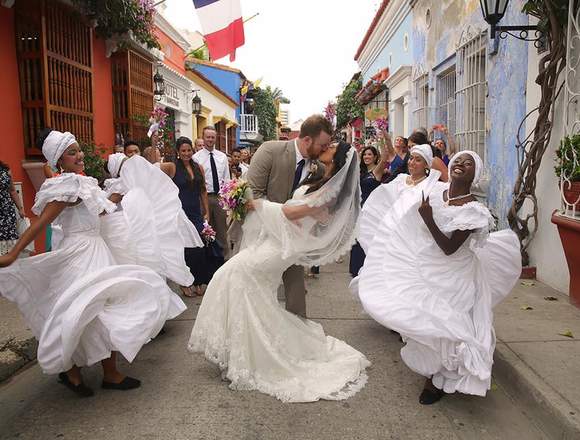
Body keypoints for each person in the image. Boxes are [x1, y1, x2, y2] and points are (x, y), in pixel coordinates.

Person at [0, 129, 186, 397]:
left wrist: (120, 195)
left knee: (102, 308)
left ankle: (104, 372)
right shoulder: (67, 186)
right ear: (59, 161)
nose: (79, 155)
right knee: (84, 311)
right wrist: (14, 253)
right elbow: (41, 224)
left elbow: (99, 211)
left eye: (78, 150)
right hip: (78, 254)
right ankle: (75, 372)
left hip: (97, 249)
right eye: (71, 152)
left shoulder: (84, 183)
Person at [189, 141, 369, 402]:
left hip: (281, 248)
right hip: (276, 242)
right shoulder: (320, 180)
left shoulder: (332, 192)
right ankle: (240, 350)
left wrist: (258, 205)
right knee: (243, 287)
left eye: (331, 146)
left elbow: (293, 212)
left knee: (234, 277)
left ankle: (252, 353)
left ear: (337, 159)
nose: (326, 146)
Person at [354, 150, 521, 405]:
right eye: (458, 161)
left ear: (474, 175)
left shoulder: (475, 210)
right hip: (427, 266)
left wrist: (429, 219)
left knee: (447, 324)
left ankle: (436, 380)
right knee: (424, 321)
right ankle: (433, 370)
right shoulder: (435, 193)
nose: (461, 165)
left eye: (468, 164)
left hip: (456, 275)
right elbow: (410, 219)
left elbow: (449, 248)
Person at [247, 114, 333, 318]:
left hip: (293, 239)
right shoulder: (270, 150)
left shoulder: (318, 168)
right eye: (323, 145)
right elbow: (252, 194)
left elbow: (311, 204)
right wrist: (287, 216)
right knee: (256, 292)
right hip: (260, 235)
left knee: (296, 295)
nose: (325, 150)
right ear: (307, 140)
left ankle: (298, 338)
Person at [101, 152, 202, 290]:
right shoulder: (122, 184)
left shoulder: (137, 179)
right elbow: (106, 207)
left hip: (141, 227)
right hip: (130, 228)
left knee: (149, 259)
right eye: (126, 163)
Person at [175, 136, 222, 297]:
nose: (186, 153)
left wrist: (206, 211)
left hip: (195, 212)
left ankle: (199, 280)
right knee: (185, 250)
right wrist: (154, 142)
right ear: (178, 152)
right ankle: (184, 282)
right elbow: (153, 166)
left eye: (189, 150)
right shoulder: (172, 167)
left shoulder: (198, 168)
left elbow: (203, 190)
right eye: (183, 151)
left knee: (201, 247)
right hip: (180, 213)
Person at [349, 141, 391, 277]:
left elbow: (385, 157)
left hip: (372, 210)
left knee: (368, 239)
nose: (366, 157)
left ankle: (370, 270)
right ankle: (356, 271)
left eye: (369, 154)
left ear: (374, 157)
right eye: (365, 154)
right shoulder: (359, 171)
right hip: (359, 208)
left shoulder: (377, 171)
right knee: (357, 240)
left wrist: (382, 138)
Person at [193, 126, 230, 259]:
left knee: (222, 231)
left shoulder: (222, 157)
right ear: (203, 137)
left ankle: (224, 259)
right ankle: (209, 260)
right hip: (205, 198)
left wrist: (227, 201)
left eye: (212, 137)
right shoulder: (196, 158)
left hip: (220, 198)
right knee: (207, 230)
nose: (210, 139)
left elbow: (226, 180)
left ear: (216, 138)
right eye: (207, 137)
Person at [0, 161, 25, 256]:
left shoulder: (5, 169)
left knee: (9, 241)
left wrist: (20, 208)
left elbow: (13, 191)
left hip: (7, 212)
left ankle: (9, 266)